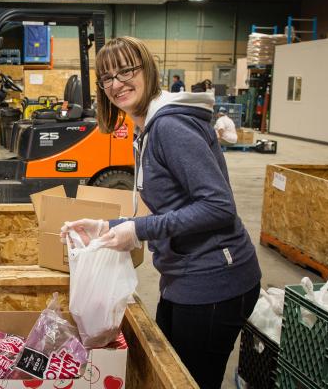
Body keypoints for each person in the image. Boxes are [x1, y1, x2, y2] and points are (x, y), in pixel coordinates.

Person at [60, 37, 261, 389]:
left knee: (188, 380)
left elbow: (218, 206)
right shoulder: (146, 128)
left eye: (126, 71)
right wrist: (108, 226)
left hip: (215, 279)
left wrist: (136, 232)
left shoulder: (170, 127)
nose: (116, 84)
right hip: (182, 276)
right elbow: (170, 208)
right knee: (166, 373)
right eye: (107, 77)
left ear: (147, 70)